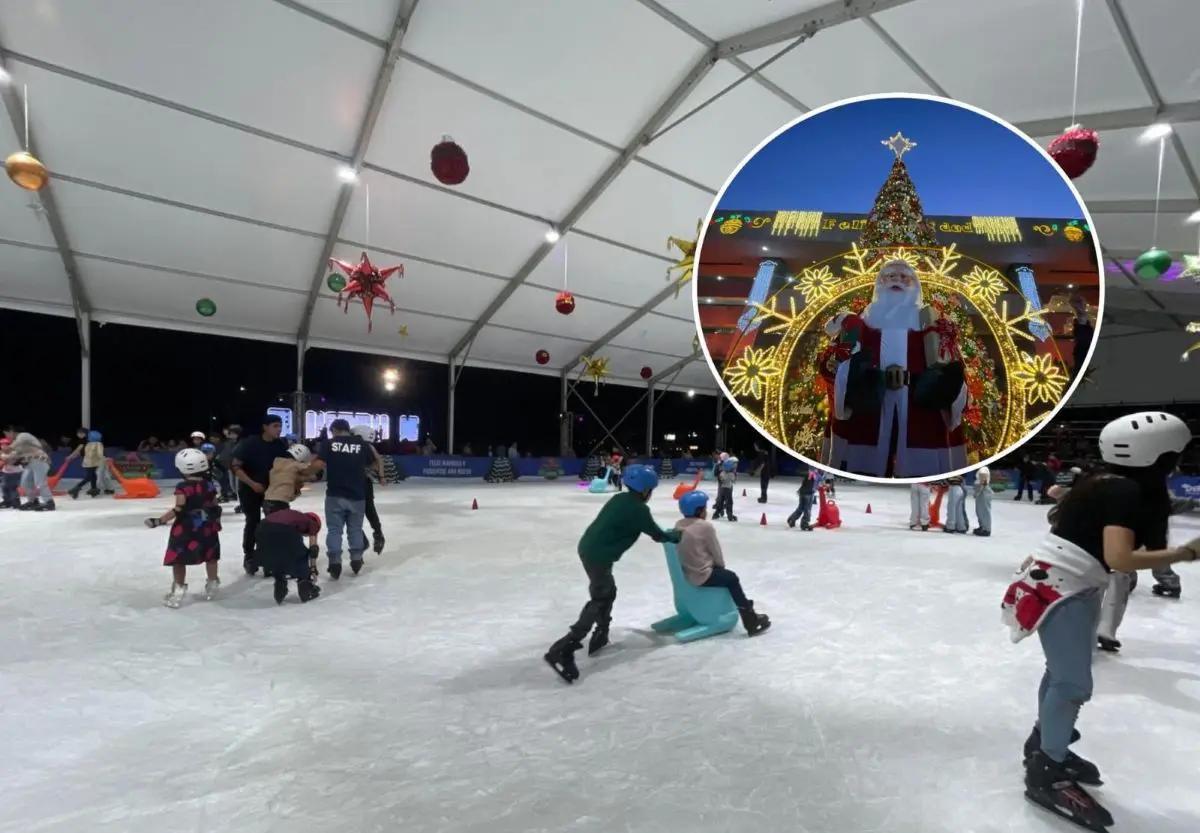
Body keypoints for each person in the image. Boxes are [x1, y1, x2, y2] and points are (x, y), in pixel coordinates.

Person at [1001, 411, 1200, 830]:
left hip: (1067, 582)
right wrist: (1188, 553)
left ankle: (1045, 743)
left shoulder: (1106, 480)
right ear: (1160, 456)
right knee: (1072, 682)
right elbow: (1121, 559)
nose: (1179, 460)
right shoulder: (1124, 492)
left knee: (1061, 675)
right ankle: (1047, 770)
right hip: (1062, 588)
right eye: (1175, 454)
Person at [818, 258, 967, 477]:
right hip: (871, 400)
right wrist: (851, 373)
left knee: (920, 461)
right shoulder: (861, 320)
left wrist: (942, 385)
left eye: (904, 277)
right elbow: (834, 361)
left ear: (915, 284)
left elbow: (952, 363)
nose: (897, 280)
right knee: (866, 456)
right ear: (881, 281)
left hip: (918, 401)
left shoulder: (932, 322)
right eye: (891, 276)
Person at [544, 464, 682, 683]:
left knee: (607, 591)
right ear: (645, 490)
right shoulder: (639, 509)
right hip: (598, 555)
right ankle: (565, 647)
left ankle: (601, 631)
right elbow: (657, 534)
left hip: (589, 549)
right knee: (601, 596)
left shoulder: (619, 499)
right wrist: (676, 536)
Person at [674, 490, 770, 634]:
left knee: (727, 577)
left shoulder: (679, 524)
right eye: (704, 508)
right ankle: (750, 619)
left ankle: (745, 605)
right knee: (731, 578)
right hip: (701, 574)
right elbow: (716, 552)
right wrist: (719, 566)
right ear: (699, 510)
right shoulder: (704, 526)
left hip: (687, 571)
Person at [144, 448, 222, 608]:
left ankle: (178, 590)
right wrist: (217, 522)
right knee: (210, 555)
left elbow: (179, 508)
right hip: (207, 525)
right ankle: (212, 585)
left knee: (179, 559)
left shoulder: (182, 487)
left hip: (187, 527)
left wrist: (159, 521)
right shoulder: (209, 484)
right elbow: (215, 506)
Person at [230, 415, 291, 575]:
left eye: (280, 426)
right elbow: (236, 467)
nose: (279, 429)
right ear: (265, 427)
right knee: (253, 521)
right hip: (249, 489)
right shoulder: (250, 443)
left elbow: (288, 466)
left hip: (272, 491)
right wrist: (253, 484)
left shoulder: (280, 445)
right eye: (275, 426)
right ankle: (249, 555)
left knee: (274, 524)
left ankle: (269, 556)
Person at [321, 419, 376, 579]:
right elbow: (373, 463)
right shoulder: (362, 444)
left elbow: (319, 464)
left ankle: (335, 563)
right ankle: (356, 560)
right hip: (357, 495)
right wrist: (360, 472)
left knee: (334, 530)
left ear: (335, 430)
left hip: (335, 494)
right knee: (355, 529)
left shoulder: (329, 444)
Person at [256, 506, 323, 605]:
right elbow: (313, 549)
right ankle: (305, 587)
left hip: (262, 528)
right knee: (302, 555)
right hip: (283, 529)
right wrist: (312, 568)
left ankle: (280, 583)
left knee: (276, 556)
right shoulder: (312, 522)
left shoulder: (295, 516)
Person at [351, 424, 388, 554]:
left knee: (361, 511)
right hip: (358, 482)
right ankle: (376, 534)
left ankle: (375, 535)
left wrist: (379, 475)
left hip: (360, 483)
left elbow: (379, 461)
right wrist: (380, 475)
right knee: (364, 511)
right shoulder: (365, 446)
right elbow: (379, 462)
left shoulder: (367, 446)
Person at [68, 430, 106, 499]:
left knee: (93, 475)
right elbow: (100, 454)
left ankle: (93, 489)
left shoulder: (89, 444)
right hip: (93, 463)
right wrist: (105, 459)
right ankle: (75, 488)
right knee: (89, 477)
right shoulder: (98, 444)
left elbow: (85, 453)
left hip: (87, 462)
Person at [713, 456, 738, 521]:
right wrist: (734, 473)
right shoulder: (731, 474)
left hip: (722, 489)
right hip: (728, 490)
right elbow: (734, 481)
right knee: (729, 502)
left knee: (720, 502)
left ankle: (716, 514)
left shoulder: (722, 473)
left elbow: (719, 478)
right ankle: (730, 516)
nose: (735, 466)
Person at [972, 465, 992, 536]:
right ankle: (982, 526)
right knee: (979, 510)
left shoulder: (983, 469)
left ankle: (986, 529)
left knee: (984, 510)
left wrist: (978, 492)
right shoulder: (981, 468)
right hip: (982, 490)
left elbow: (983, 481)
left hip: (983, 491)